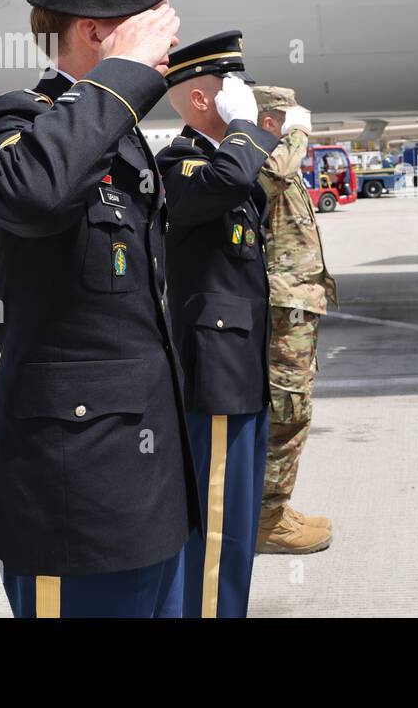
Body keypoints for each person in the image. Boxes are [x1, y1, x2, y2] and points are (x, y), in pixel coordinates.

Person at [0, 0, 199, 618]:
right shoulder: (15, 123)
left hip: (149, 490)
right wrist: (122, 75)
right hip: (74, 502)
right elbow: (32, 193)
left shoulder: (115, 137)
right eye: (149, 19)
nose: (169, 34)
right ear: (96, 31)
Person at [157, 31, 281, 617]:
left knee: (237, 519)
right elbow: (228, 181)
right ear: (206, 102)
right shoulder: (179, 164)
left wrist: (252, 135)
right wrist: (245, 131)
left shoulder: (228, 161)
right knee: (216, 524)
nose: (248, 104)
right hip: (215, 374)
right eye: (236, 93)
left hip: (241, 370)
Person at [253, 86, 337, 554]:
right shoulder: (266, 158)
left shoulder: (272, 155)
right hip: (285, 308)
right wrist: (298, 131)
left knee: (294, 409)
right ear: (270, 120)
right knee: (288, 411)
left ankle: (275, 508)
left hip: (298, 304)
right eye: (284, 118)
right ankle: (268, 521)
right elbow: (280, 171)